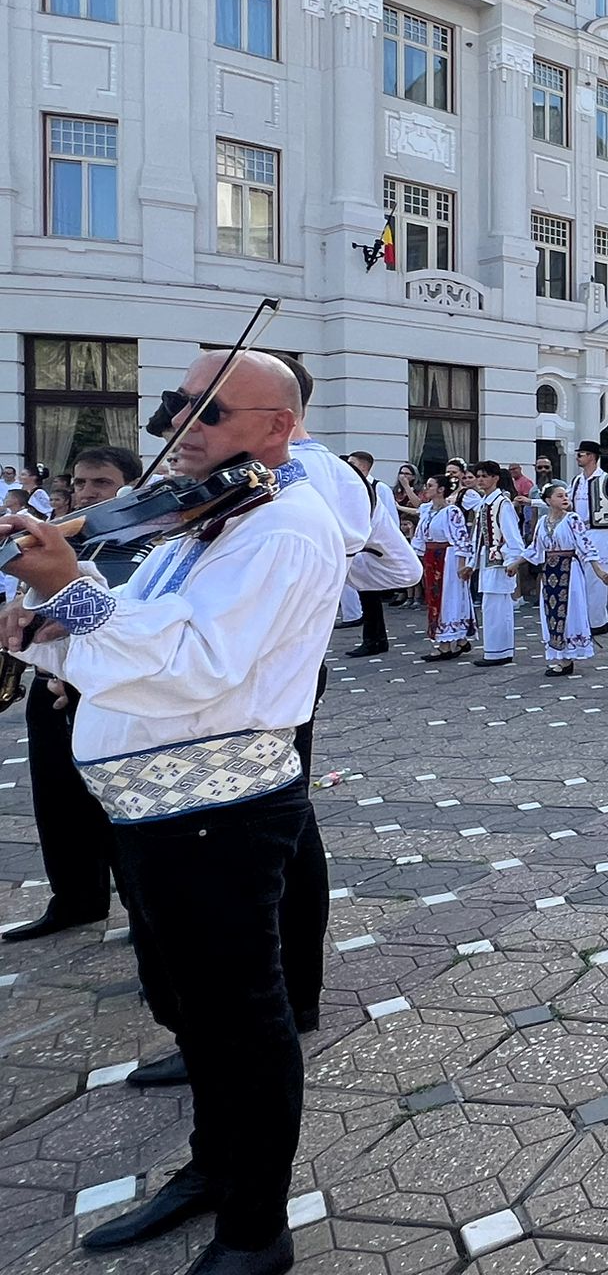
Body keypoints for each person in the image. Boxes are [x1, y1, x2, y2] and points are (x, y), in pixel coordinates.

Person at [2, 350, 346, 1275]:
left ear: (277, 429)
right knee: (189, 1010)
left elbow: (199, 665)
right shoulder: (205, 516)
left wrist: (68, 596)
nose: (183, 427)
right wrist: (55, 620)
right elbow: (141, 624)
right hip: (153, 807)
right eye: (178, 406)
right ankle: (213, 1168)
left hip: (218, 811)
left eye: (212, 412)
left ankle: (255, 1227)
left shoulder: (284, 527)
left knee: (243, 1020)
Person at [5, 445, 146, 944]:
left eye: (101, 485)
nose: (86, 493)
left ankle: (139, 906)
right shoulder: (61, 536)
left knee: (115, 799)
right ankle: (75, 898)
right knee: (56, 797)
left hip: (101, 688)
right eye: (80, 483)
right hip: (50, 682)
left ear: (128, 490)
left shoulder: (139, 544)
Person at [522, 482, 608, 677]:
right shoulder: (542, 522)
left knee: (570, 610)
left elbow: (585, 545)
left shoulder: (572, 519)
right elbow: (535, 549)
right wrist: (514, 564)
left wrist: (599, 571)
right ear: (548, 500)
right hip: (550, 572)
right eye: (559, 496)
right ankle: (560, 656)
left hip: (569, 570)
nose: (564, 499)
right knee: (550, 611)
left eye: (565, 496)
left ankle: (568, 656)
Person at [340, 451, 421, 659]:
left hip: (376, 550)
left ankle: (375, 639)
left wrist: (388, 548)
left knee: (371, 594)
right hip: (360, 551)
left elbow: (390, 520)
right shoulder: (351, 487)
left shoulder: (379, 488)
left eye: (353, 464)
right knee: (365, 594)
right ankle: (373, 638)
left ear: (364, 467)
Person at [568, 442, 608, 635]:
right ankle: (585, 619)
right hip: (580, 532)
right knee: (580, 576)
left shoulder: (607, 480)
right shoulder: (577, 481)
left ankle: (597, 622)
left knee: (596, 577)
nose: (578, 457)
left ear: (592, 456)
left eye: (582, 454)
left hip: (599, 531)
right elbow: (566, 501)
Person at [463, 461, 523, 667]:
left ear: (495, 478)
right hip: (487, 561)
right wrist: (472, 563)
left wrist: (513, 561)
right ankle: (495, 650)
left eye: (484, 476)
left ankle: (499, 652)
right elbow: (478, 538)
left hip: (500, 562)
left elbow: (512, 535)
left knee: (499, 608)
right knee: (490, 607)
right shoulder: (484, 503)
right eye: (478, 476)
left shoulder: (502, 503)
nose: (480, 479)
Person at [411, 473, 474, 661]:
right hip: (432, 558)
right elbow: (420, 538)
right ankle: (459, 639)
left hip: (448, 558)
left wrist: (463, 565)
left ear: (441, 489)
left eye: (430, 485)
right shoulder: (427, 510)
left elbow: (462, 539)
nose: (426, 488)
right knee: (434, 597)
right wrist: (417, 558)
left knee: (448, 598)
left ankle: (445, 644)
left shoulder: (451, 511)